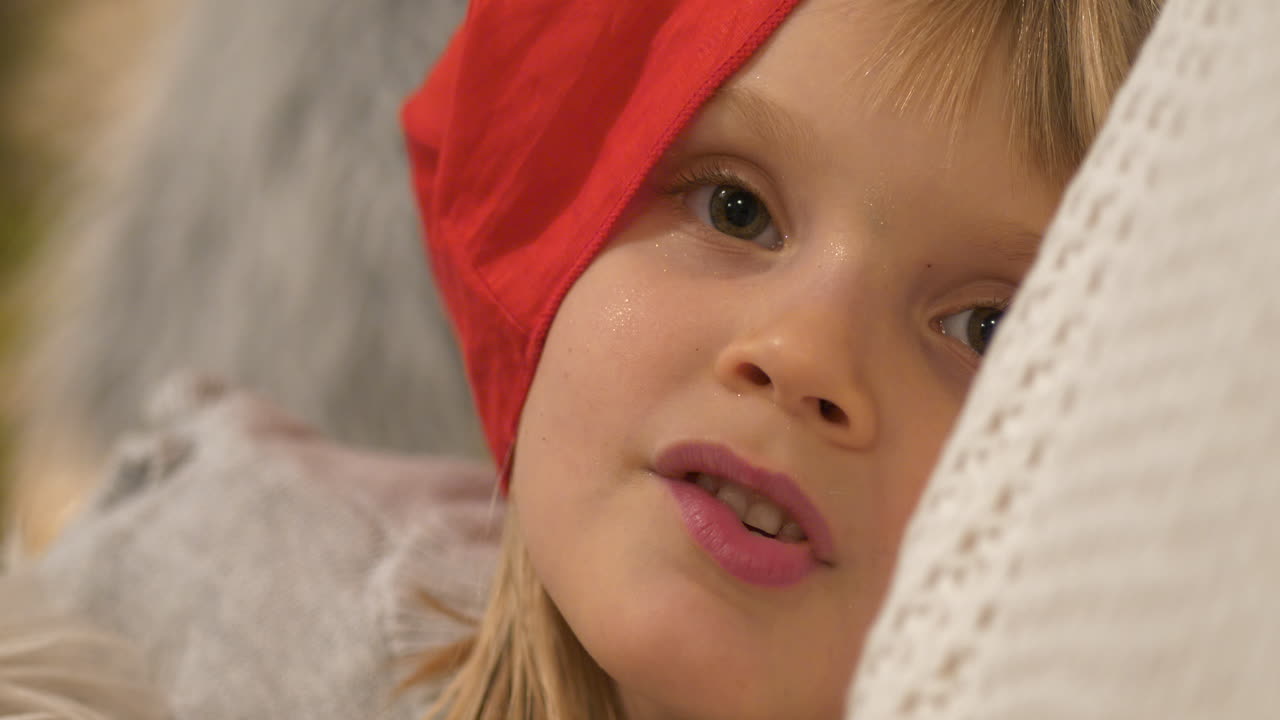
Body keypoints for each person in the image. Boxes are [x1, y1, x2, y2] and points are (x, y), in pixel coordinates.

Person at [7, 0, 1160, 718]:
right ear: (554, 231)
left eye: (987, 328)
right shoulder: (216, 595)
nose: (801, 357)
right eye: (733, 207)